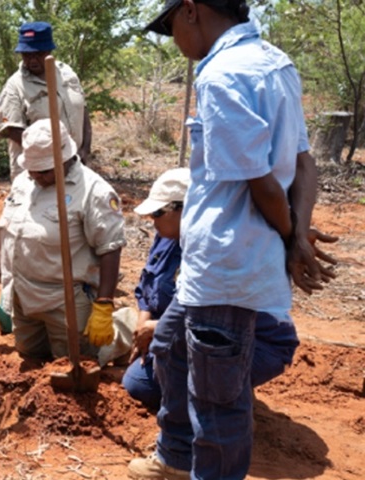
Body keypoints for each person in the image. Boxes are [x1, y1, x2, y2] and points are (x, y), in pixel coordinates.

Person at [130, 1, 330, 478]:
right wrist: (298, 229)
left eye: (170, 25)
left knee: (217, 404)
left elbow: (260, 182)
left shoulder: (221, 75)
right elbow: (303, 163)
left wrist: (291, 239)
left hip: (228, 265)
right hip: (212, 272)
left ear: (192, 11)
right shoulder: (276, 64)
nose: (174, 40)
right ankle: (175, 458)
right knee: (170, 348)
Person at [122, 168, 303, 412]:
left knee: (177, 388)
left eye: (157, 212)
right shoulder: (165, 240)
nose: (152, 221)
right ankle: (218, 386)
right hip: (182, 332)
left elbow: (214, 312)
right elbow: (148, 285)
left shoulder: (220, 249)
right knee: (138, 382)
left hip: (243, 338)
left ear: (185, 208)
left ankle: (227, 396)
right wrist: (143, 328)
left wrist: (155, 329)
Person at [0, 120, 131, 364]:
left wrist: (104, 305)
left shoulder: (94, 192)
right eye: (31, 169)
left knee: (75, 362)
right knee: (31, 356)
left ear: (65, 159)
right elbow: (8, 232)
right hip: (23, 292)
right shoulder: (23, 182)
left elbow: (110, 248)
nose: (35, 176)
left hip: (64, 297)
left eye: (43, 171)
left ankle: (123, 331)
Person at [0, 21, 91, 179]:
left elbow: (83, 113)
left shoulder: (67, 74)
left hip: (75, 165)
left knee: (74, 203)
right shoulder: (15, 86)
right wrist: (54, 157)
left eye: (38, 54)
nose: (33, 60)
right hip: (37, 173)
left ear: (49, 50)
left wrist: (84, 151)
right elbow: (12, 130)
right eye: (27, 54)